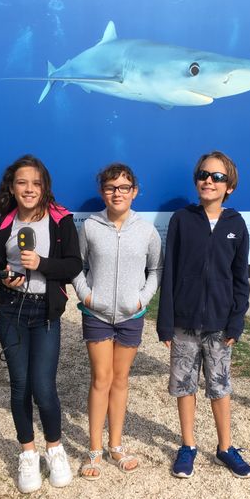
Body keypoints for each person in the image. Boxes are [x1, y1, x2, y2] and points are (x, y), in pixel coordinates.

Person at [0, 154, 82, 493]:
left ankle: (55, 449)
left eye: (36, 183)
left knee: (44, 387)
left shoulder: (61, 221)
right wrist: (2, 277)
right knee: (20, 386)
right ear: (12, 187)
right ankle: (27, 454)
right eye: (22, 182)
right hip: (11, 311)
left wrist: (41, 263)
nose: (29, 189)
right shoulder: (1, 225)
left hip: (45, 313)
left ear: (45, 187)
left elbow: (72, 266)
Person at [157, 150, 250, 479]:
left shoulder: (236, 225)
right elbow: (169, 273)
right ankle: (188, 446)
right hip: (184, 323)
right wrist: (165, 323)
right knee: (184, 386)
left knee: (219, 387)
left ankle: (226, 447)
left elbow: (241, 279)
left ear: (230, 186)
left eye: (217, 177)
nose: (208, 181)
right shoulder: (182, 220)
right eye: (203, 174)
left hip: (219, 325)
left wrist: (236, 321)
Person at [72, 163, 162, 480]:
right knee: (101, 378)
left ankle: (117, 445)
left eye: (124, 187)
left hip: (130, 316)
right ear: (103, 192)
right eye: (111, 187)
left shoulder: (147, 231)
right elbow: (77, 266)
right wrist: (87, 296)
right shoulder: (91, 227)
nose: (117, 193)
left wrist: (142, 299)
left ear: (134, 192)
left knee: (121, 380)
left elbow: (156, 270)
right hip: (96, 315)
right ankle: (94, 450)